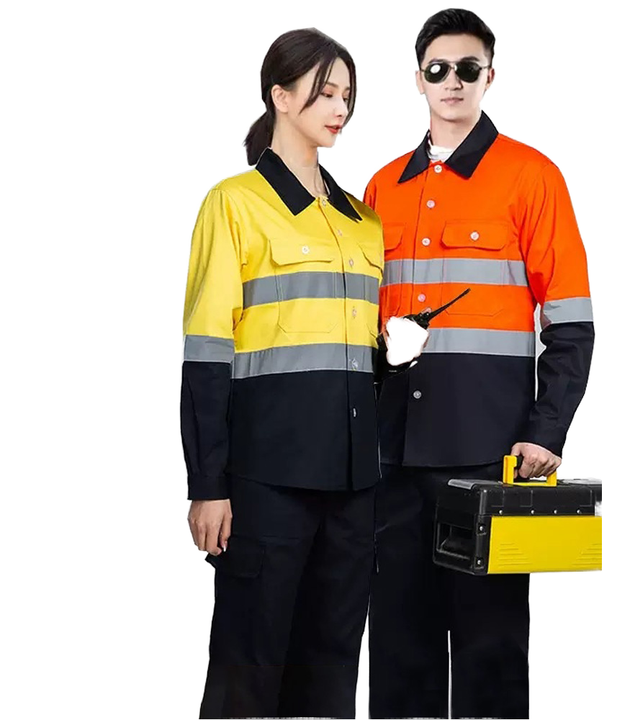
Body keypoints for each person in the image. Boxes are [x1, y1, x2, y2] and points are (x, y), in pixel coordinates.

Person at [363, 8, 595, 719]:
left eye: (468, 68)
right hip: (393, 457)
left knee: (491, 650)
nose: (453, 81)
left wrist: (546, 431)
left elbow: (571, 324)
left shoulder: (532, 177)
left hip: (489, 456)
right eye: (438, 68)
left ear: (490, 76)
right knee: (399, 652)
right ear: (418, 79)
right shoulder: (381, 188)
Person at [180, 27, 394, 719]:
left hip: (353, 486)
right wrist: (208, 485)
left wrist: (394, 351)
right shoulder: (234, 204)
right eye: (325, 92)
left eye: (347, 95)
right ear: (279, 94)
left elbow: (354, 354)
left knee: (330, 674)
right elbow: (206, 352)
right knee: (247, 668)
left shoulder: (363, 222)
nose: (340, 108)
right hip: (267, 481)